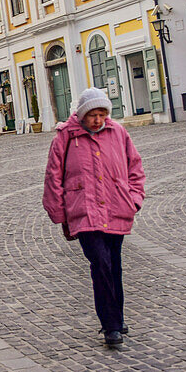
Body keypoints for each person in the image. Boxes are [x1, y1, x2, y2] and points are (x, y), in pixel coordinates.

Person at [42, 87, 145, 349]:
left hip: (116, 207)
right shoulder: (66, 137)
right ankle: (110, 326)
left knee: (114, 266)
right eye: (92, 115)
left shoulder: (118, 132)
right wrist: (59, 213)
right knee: (100, 264)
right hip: (84, 211)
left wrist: (134, 199)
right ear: (82, 115)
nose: (97, 120)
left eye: (102, 114)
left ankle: (118, 319)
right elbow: (53, 176)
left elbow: (135, 167)